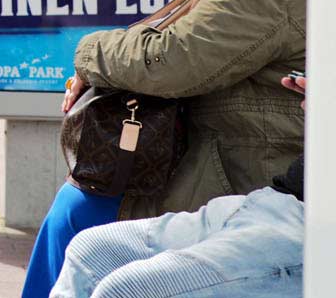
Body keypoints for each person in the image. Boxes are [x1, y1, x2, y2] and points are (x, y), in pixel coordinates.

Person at [20, 0, 309, 298]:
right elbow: (229, 47)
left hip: (236, 176)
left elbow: (168, 60)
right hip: (265, 168)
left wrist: (88, 52)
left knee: (76, 216)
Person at [49, 73, 305, 297]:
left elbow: (172, 59)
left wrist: (88, 58)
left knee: (125, 290)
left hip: (313, 225)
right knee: (89, 251)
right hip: (281, 198)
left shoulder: (272, 15)